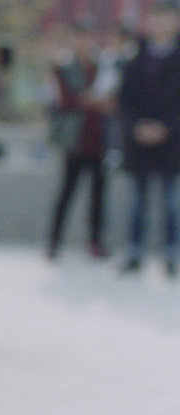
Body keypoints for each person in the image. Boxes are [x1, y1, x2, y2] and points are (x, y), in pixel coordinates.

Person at [118, 0, 180, 277]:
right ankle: (134, 251)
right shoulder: (135, 57)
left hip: (172, 142)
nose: (160, 23)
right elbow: (124, 99)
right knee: (137, 201)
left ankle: (171, 253)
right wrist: (137, 126)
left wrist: (166, 127)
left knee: (172, 202)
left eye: (167, 17)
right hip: (139, 141)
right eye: (156, 17)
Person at [44, 19, 114, 261]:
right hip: (75, 140)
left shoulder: (103, 67)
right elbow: (63, 101)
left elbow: (111, 100)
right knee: (67, 192)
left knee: (98, 195)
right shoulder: (64, 66)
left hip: (99, 140)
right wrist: (88, 101)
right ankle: (54, 241)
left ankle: (95, 242)